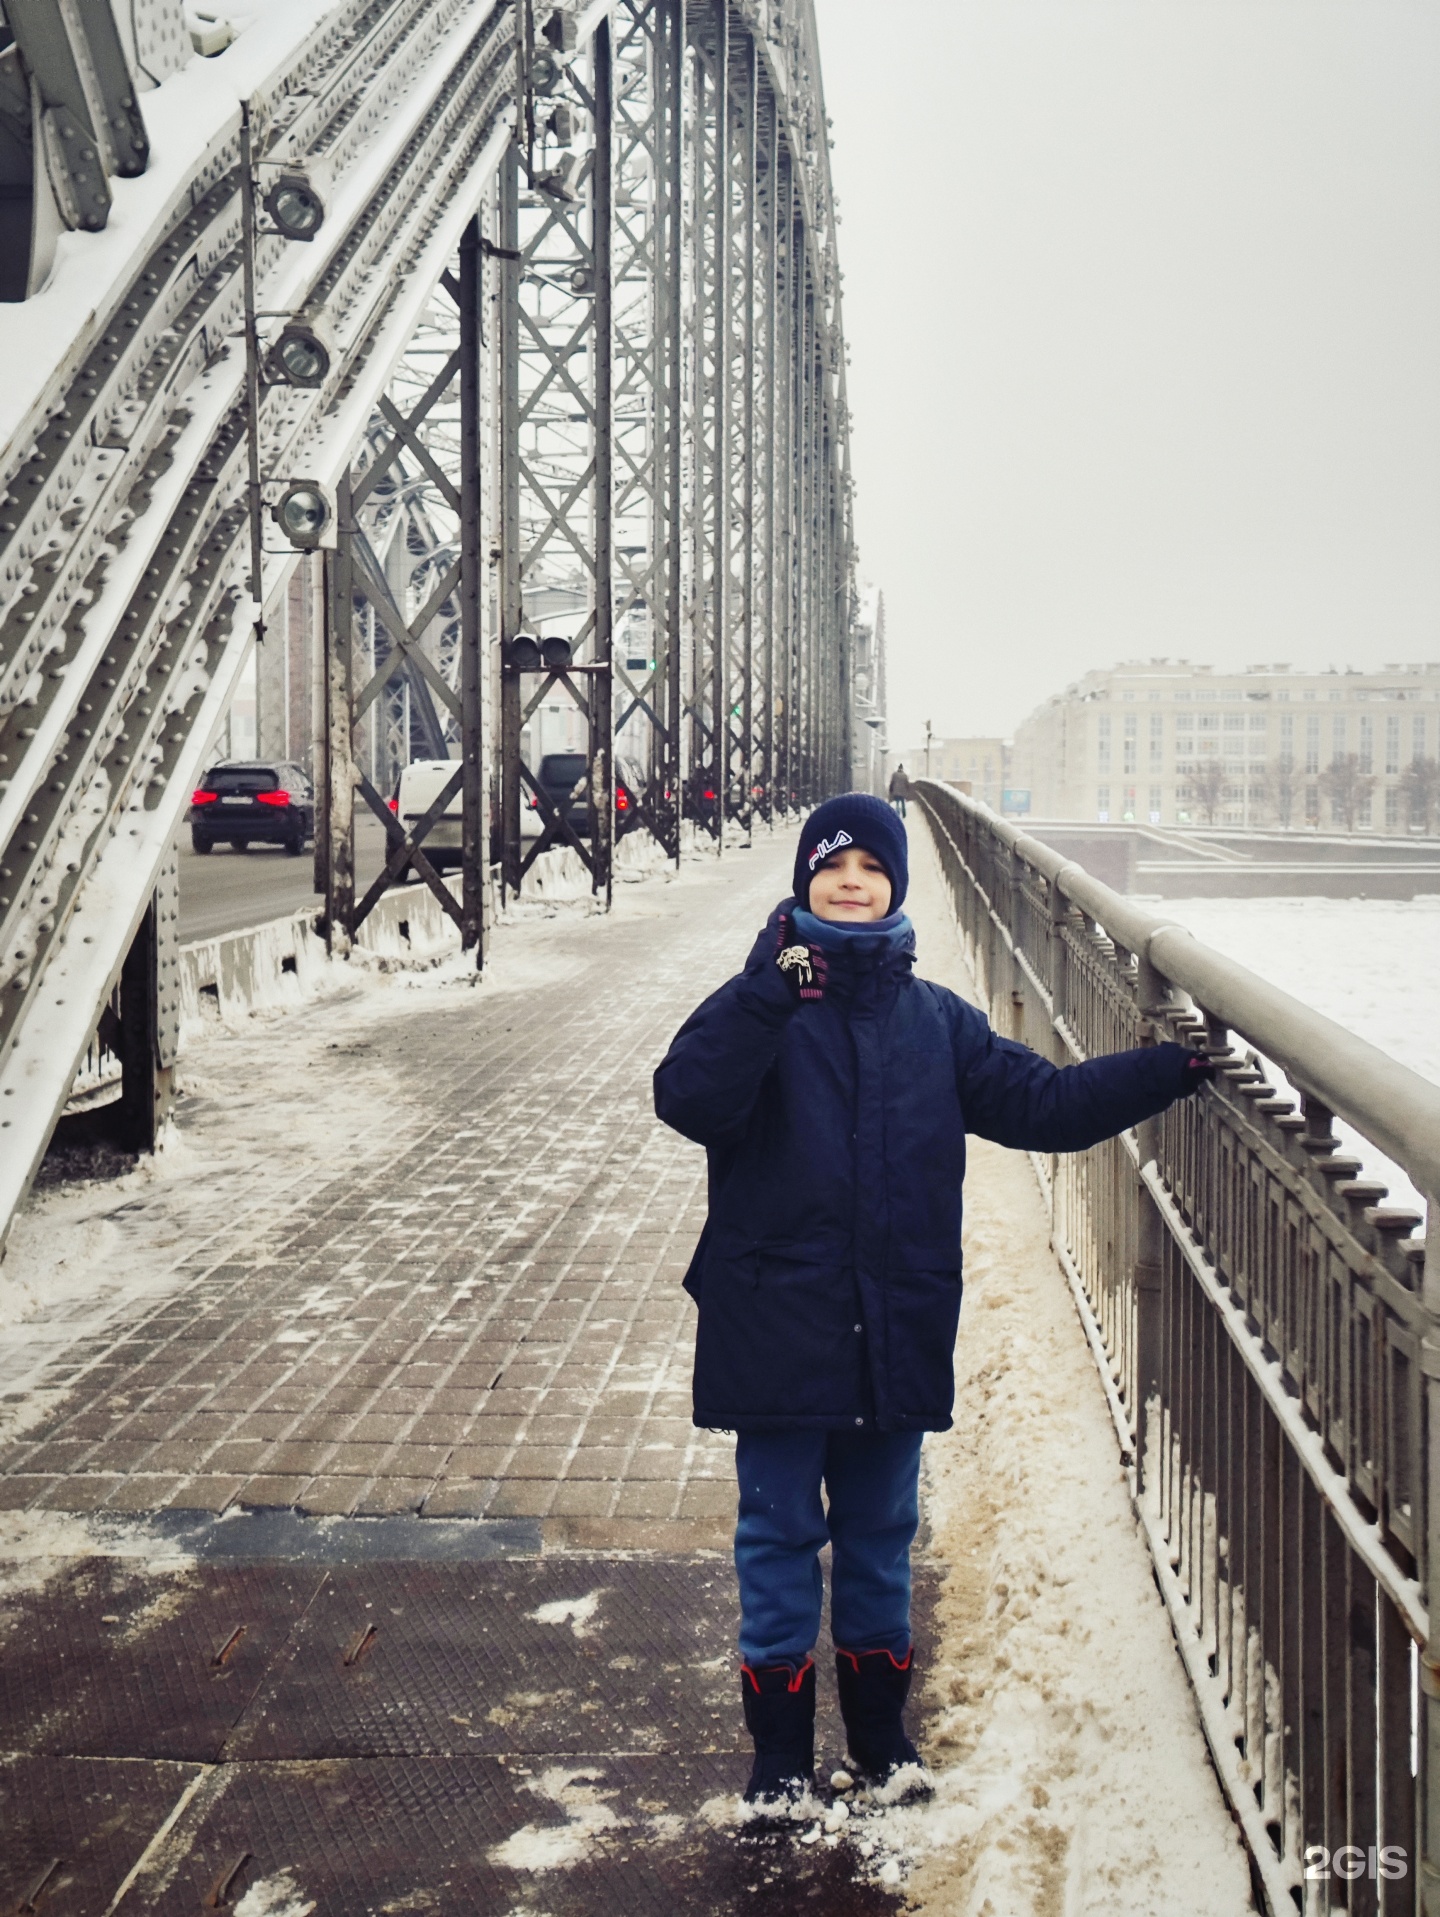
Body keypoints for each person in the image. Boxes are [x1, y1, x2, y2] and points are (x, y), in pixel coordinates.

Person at [652, 792, 1214, 1821]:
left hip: (892, 1327)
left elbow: (1042, 1106)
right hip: (776, 1326)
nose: (853, 881)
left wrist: (1169, 1070)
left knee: (879, 1536)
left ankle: (880, 1746)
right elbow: (688, 1099)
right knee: (776, 1543)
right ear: (805, 883)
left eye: (873, 867)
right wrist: (766, 996)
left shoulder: (937, 1023)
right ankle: (776, 1765)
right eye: (834, 867)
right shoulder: (758, 1004)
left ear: (898, 885)